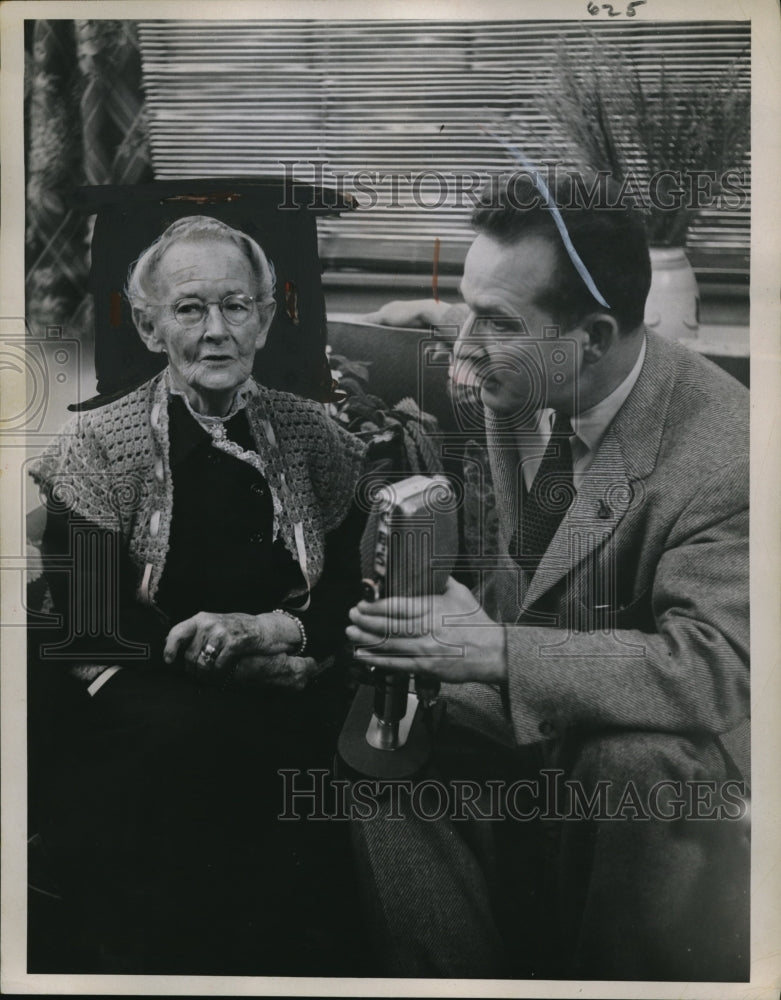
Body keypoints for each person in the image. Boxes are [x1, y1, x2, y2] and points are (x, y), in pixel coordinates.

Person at [346, 173, 750, 980]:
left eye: (495, 322)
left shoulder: (729, 454)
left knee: (632, 763)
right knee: (385, 733)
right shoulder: (531, 378)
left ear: (593, 337)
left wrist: (491, 651)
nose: (462, 350)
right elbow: (534, 562)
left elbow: (714, 671)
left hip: (676, 745)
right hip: (544, 702)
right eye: (465, 307)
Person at [28, 216, 367, 974]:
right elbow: (87, 621)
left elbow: (348, 584)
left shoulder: (314, 438)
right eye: (188, 309)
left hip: (290, 684)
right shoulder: (101, 444)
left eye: (235, 306)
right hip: (144, 696)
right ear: (151, 328)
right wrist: (220, 658)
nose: (215, 331)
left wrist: (274, 629)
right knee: (183, 765)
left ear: (265, 318)